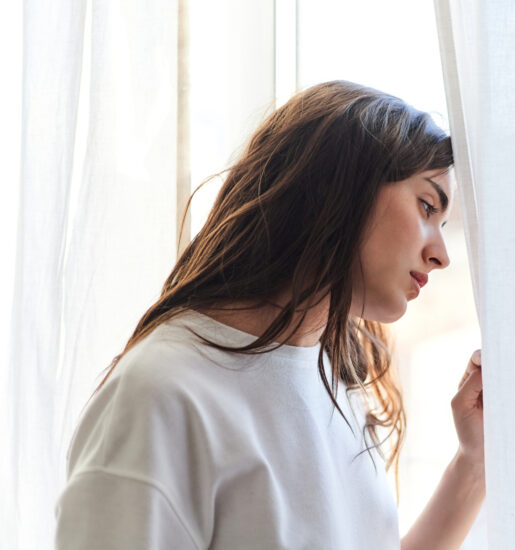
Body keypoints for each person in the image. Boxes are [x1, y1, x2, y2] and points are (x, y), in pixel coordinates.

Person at [54, 80, 485, 550]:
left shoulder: (336, 381)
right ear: (339, 187)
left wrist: (474, 464)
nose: (441, 255)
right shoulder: (162, 396)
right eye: (426, 206)